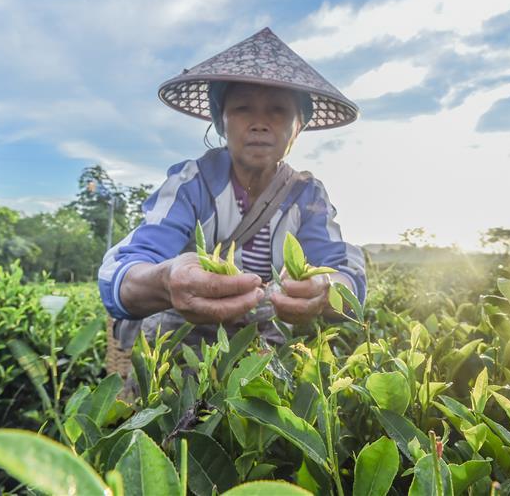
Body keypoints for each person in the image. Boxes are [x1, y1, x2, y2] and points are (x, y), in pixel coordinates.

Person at [98, 27, 366, 349]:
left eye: (278, 110)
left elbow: (343, 273)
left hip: (262, 349)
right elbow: (125, 269)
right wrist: (167, 280)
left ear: (299, 127)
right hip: (183, 345)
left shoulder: (307, 196)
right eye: (242, 108)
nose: (259, 122)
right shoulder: (191, 185)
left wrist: (324, 290)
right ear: (221, 120)